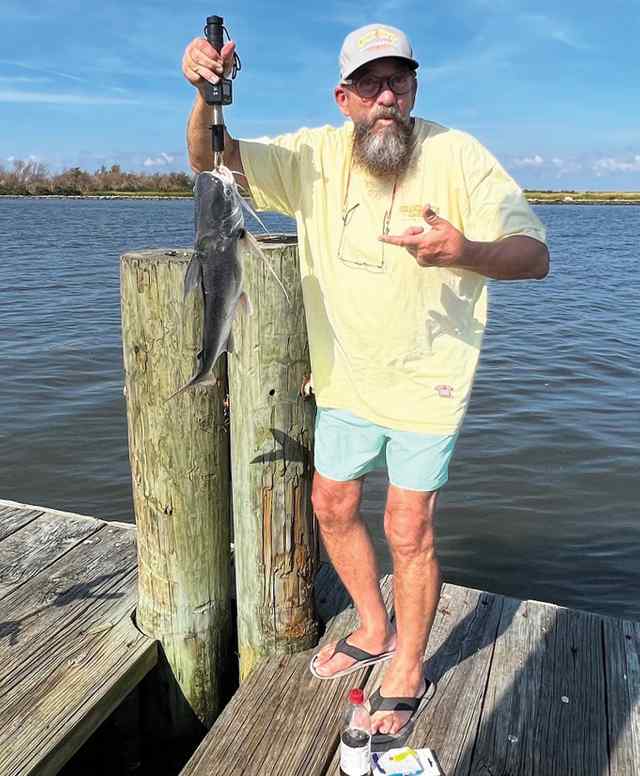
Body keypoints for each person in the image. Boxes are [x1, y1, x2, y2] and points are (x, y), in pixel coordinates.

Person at [181, 23, 549, 744]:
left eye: (400, 81)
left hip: (428, 384)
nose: (388, 97)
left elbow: (535, 256)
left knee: (407, 528)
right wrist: (203, 98)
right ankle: (374, 624)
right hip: (343, 378)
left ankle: (408, 665)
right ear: (344, 97)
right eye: (371, 85)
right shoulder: (312, 156)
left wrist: (463, 249)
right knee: (331, 503)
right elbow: (210, 163)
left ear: (414, 88)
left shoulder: (457, 154)